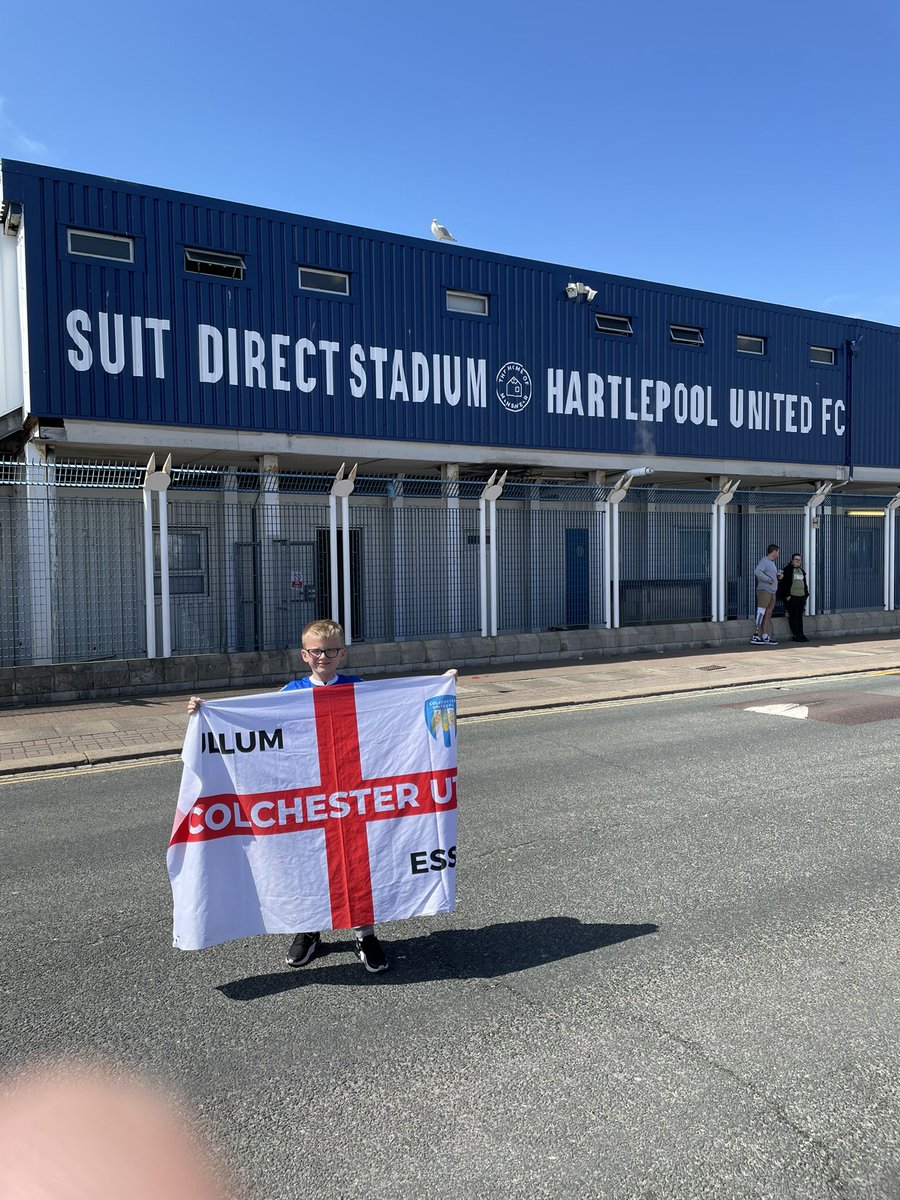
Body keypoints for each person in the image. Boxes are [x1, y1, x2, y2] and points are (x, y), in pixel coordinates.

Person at [187, 619, 457, 976]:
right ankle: (309, 930)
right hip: (307, 798)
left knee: (360, 862)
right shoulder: (292, 692)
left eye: (331, 650)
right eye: (316, 651)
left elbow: (396, 715)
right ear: (304, 655)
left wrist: (439, 687)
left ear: (342, 653)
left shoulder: (359, 689)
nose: (324, 657)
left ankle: (365, 934)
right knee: (308, 863)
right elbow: (257, 729)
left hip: (353, 797)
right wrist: (205, 712)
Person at [751, 544, 782, 645]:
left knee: (768, 613)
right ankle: (755, 635)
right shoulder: (764, 561)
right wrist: (769, 579)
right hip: (764, 591)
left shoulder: (772, 563)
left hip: (772, 591)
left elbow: (770, 575)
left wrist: (777, 576)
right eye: (778, 551)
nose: (778, 554)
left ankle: (765, 635)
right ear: (774, 551)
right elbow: (757, 572)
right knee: (761, 611)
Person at [778, 552, 810, 642]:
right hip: (792, 597)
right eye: (796, 559)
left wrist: (806, 594)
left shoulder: (801, 571)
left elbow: (804, 583)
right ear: (792, 560)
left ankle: (801, 634)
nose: (798, 561)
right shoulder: (787, 570)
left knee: (799, 616)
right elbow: (783, 584)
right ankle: (795, 635)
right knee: (793, 616)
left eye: (799, 560)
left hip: (801, 597)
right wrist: (787, 595)